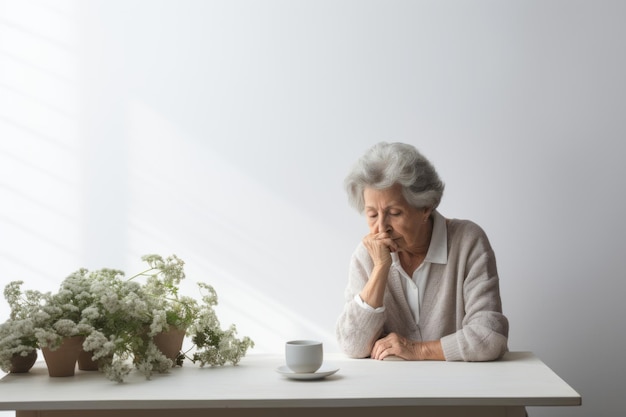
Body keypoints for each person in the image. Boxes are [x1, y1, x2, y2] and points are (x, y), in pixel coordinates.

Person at [336, 142, 508, 361]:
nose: (381, 228)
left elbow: (489, 337)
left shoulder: (467, 242)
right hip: (391, 391)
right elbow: (351, 345)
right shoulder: (366, 255)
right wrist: (380, 269)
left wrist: (417, 349)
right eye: (371, 215)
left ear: (425, 207)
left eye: (394, 213)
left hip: (461, 390)